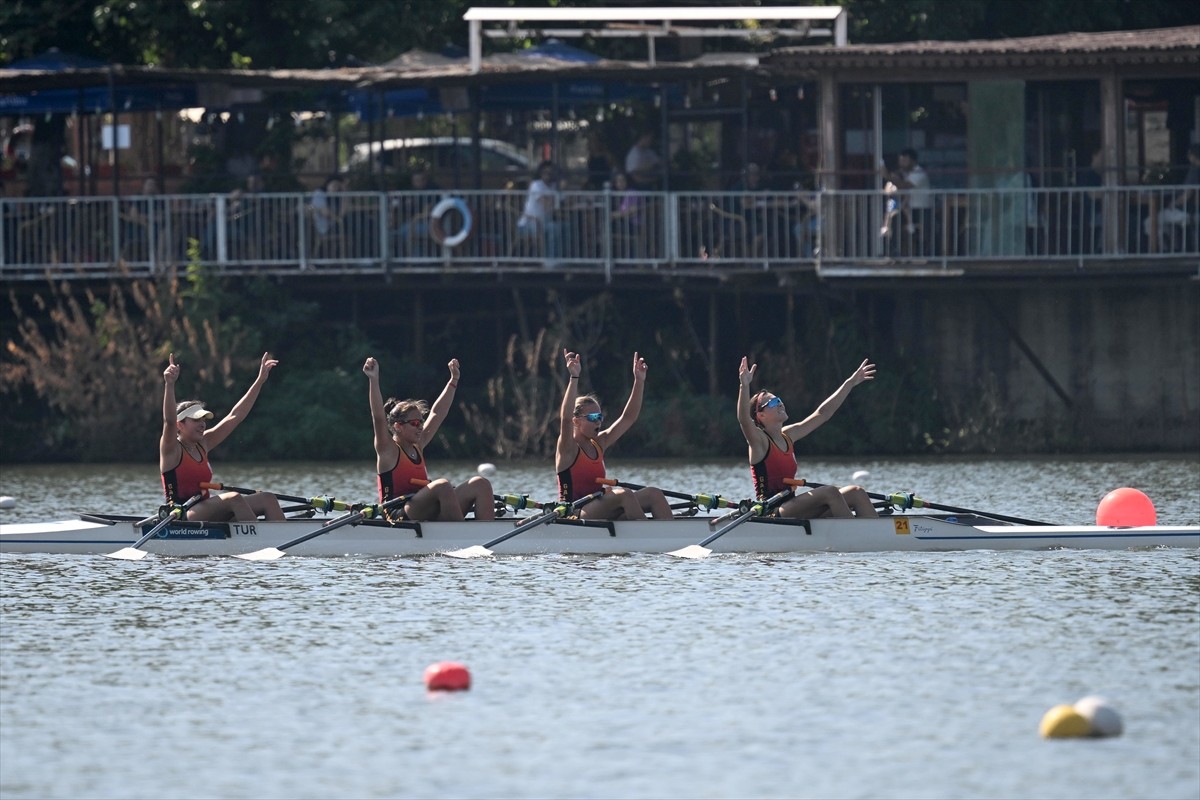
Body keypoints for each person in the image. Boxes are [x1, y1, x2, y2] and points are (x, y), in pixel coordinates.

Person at [736, 356, 878, 519]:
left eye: (779, 400)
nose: (780, 403)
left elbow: (822, 414)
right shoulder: (759, 442)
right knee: (830, 492)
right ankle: (853, 531)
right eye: (773, 403)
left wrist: (850, 383)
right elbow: (744, 420)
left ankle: (876, 532)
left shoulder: (788, 435)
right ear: (761, 415)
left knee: (857, 492)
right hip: (772, 511)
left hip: (794, 505)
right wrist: (744, 386)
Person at [363, 356, 494, 521]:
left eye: (421, 422)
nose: (420, 427)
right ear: (398, 426)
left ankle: (486, 530)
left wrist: (453, 380)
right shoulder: (387, 449)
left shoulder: (418, 444)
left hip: (425, 508)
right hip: (397, 512)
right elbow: (378, 417)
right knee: (442, 485)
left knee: (480, 484)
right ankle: (460, 532)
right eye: (414, 423)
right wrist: (373, 379)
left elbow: (437, 412)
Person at [160, 351, 285, 522]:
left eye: (203, 419)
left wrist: (260, 381)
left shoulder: (203, 443)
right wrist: (169, 384)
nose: (202, 424)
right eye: (196, 420)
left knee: (268, 498)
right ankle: (259, 536)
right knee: (233, 498)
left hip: (206, 509)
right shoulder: (171, 449)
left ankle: (281, 535)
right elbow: (169, 421)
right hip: (181, 514)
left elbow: (235, 416)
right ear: (180, 424)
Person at [555, 349, 672, 521]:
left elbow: (628, 418)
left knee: (654, 494)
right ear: (577, 422)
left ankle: (671, 534)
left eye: (600, 417)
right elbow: (565, 419)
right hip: (575, 513)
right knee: (624, 494)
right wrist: (574, 377)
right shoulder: (568, 448)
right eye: (593, 418)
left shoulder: (599, 443)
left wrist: (639, 381)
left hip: (600, 507)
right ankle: (647, 533)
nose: (598, 422)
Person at [880, 148, 933, 256]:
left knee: (921, 232)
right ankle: (894, 251)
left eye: (904, 160)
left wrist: (887, 176)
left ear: (913, 161)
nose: (902, 163)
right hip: (908, 207)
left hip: (921, 208)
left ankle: (923, 253)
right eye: (900, 160)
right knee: (895, 221)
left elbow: (904, 185)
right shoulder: (904, 173)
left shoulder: (919, 172)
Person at [515, 160, 565, 259]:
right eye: (546, 172)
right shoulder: (536, 185)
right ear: (540, 173)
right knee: (553, 229)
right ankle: (549, 260)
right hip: (529, 223)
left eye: (551, 173)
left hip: (545, 222)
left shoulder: (553, 186)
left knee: (565, 226)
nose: (548, 175)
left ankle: (561, 258)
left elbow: (565, 202)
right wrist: (557, 196)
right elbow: (546, 204)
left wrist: (561, 190)